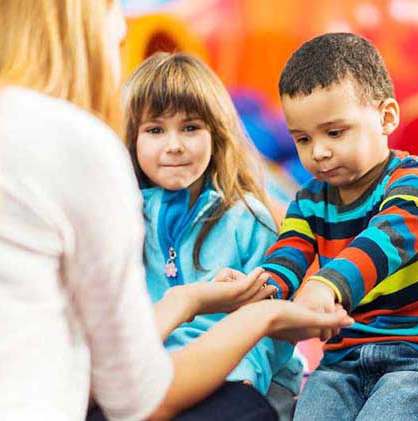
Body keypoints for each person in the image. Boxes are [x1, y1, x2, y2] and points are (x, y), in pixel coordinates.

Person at [0, 1, 352, 419]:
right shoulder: (77, 147)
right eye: (108, 9)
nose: (121, 27)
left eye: (190, 128)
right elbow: (134, 392)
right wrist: (262, 316)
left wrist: (205, 312)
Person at [261, 32, 418, 421]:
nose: (319, 151)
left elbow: (385, 240)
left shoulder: (415, 181)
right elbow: (287, 254)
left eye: (334, 132)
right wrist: (260, 286)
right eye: (303, 139)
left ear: (386, 117)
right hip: (342, 360)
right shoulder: (310, 200)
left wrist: (326, 284)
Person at [123, 52, 303, 418]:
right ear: (133, 140)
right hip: (165, 378)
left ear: (216, 135)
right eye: (155, 130)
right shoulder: (125, 218)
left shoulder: (248, 218)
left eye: (190, 128)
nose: (174, 144)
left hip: (245, 378)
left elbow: (270, 325)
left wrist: (243, 376)